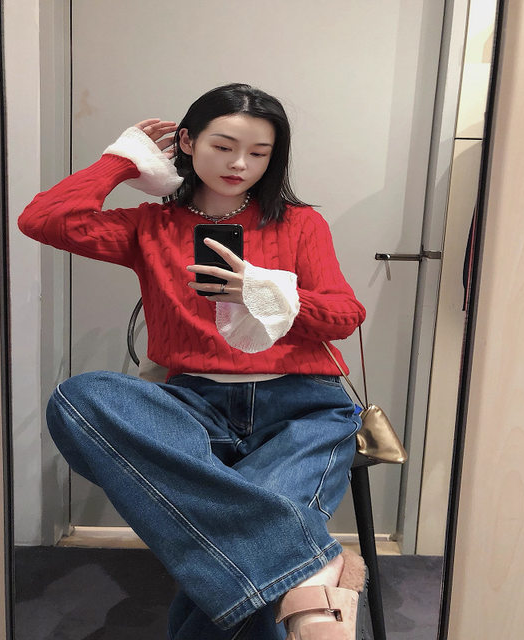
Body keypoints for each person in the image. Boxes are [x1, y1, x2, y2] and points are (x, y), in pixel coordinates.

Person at [19, 83, 367, 640]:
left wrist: (266, 294)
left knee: (239, 551)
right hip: (194, 406)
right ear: (186, 141)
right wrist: (121, 161)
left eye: (259, 153)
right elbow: (45, 219)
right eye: (223, 146)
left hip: (301, 408)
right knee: (80, 399)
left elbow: (345, 316)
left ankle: (295, 569)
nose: (239, 164)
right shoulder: (150, 226)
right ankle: (310, 566)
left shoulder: (300, 224)